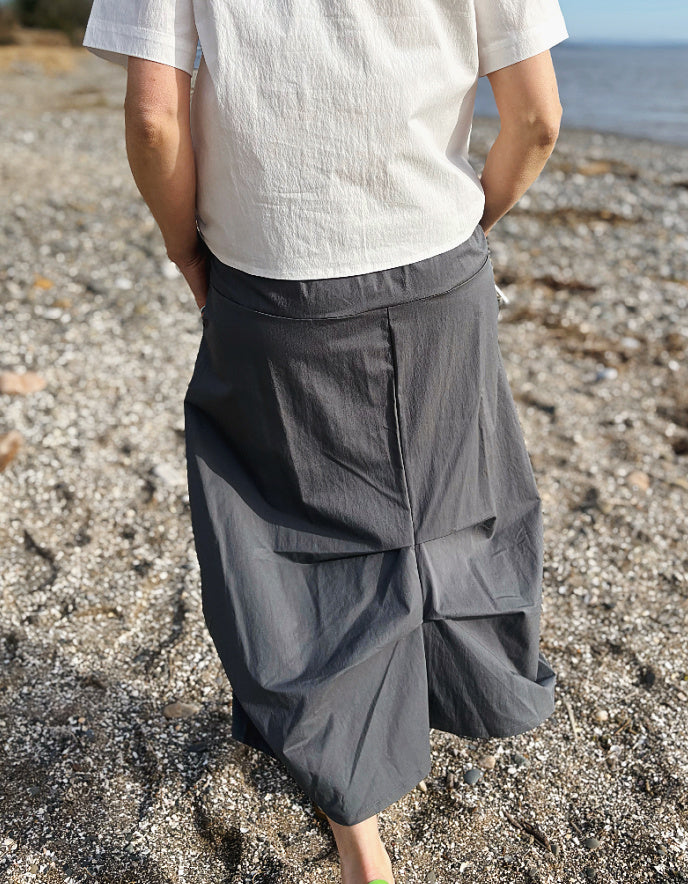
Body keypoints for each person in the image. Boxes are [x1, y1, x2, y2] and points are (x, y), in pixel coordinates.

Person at [83, 1, 567, 881]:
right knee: (458, 500)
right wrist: (469, 228)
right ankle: (469, 696)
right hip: (436, 266)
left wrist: (186, 250)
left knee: (291, 541)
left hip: (275, 280)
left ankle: (359, 828)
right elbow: (536, 118)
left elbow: (156, 116)